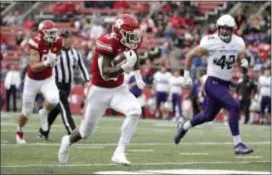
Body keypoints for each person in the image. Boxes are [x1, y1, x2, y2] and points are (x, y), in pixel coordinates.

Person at [58, 14, 142, 165]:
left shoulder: (130, 41)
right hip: (99, 90)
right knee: (84, 133)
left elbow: (133, 55)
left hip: (118, 89)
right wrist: (124, 67)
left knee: (135, 110)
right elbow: (105, 73)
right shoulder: (106, 42)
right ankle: (67, 141)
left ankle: (119, 152)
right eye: (130, 34)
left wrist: (138, 75)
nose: (133, 38)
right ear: (119, 32)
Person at [174, 14, 253, 155]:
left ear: (233, 29)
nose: (224, 31)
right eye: (222, 28)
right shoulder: (210, 41)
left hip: (225, 84)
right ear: (218, 28)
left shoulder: (238, 42)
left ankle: (184, 126)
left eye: (228, 29)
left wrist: (244, 64)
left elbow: (241, 62)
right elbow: (190, 54)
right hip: (212, 83)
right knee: (234, 106)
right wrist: (186, 75)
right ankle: (238, 144)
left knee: (208, 116)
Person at [38, 29, 90, 140]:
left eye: (65, 37)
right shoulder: (55, 51)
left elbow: (82, 68)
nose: (63, 39)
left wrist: (87, 81)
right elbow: (46, 64)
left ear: (70, 38)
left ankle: (43, 131)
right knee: (65, 108)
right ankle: (72, 130)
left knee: (56, 110)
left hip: (67, 86)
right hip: (56, 84)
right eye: (61, 37)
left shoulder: (75, 54)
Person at [16, 20, 62, 144]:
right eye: (49, 33)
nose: (53, 36)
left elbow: (57, 54)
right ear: (42, 33)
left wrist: (55, 60)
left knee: (53, 99)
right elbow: (34, 67)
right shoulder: (35, 43)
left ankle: (44, 112)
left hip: (47, 78)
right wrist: (48, 62)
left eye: (53, 32)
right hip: (32, 80)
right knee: (27, 112)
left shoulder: (57, 41)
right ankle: (19, 130)